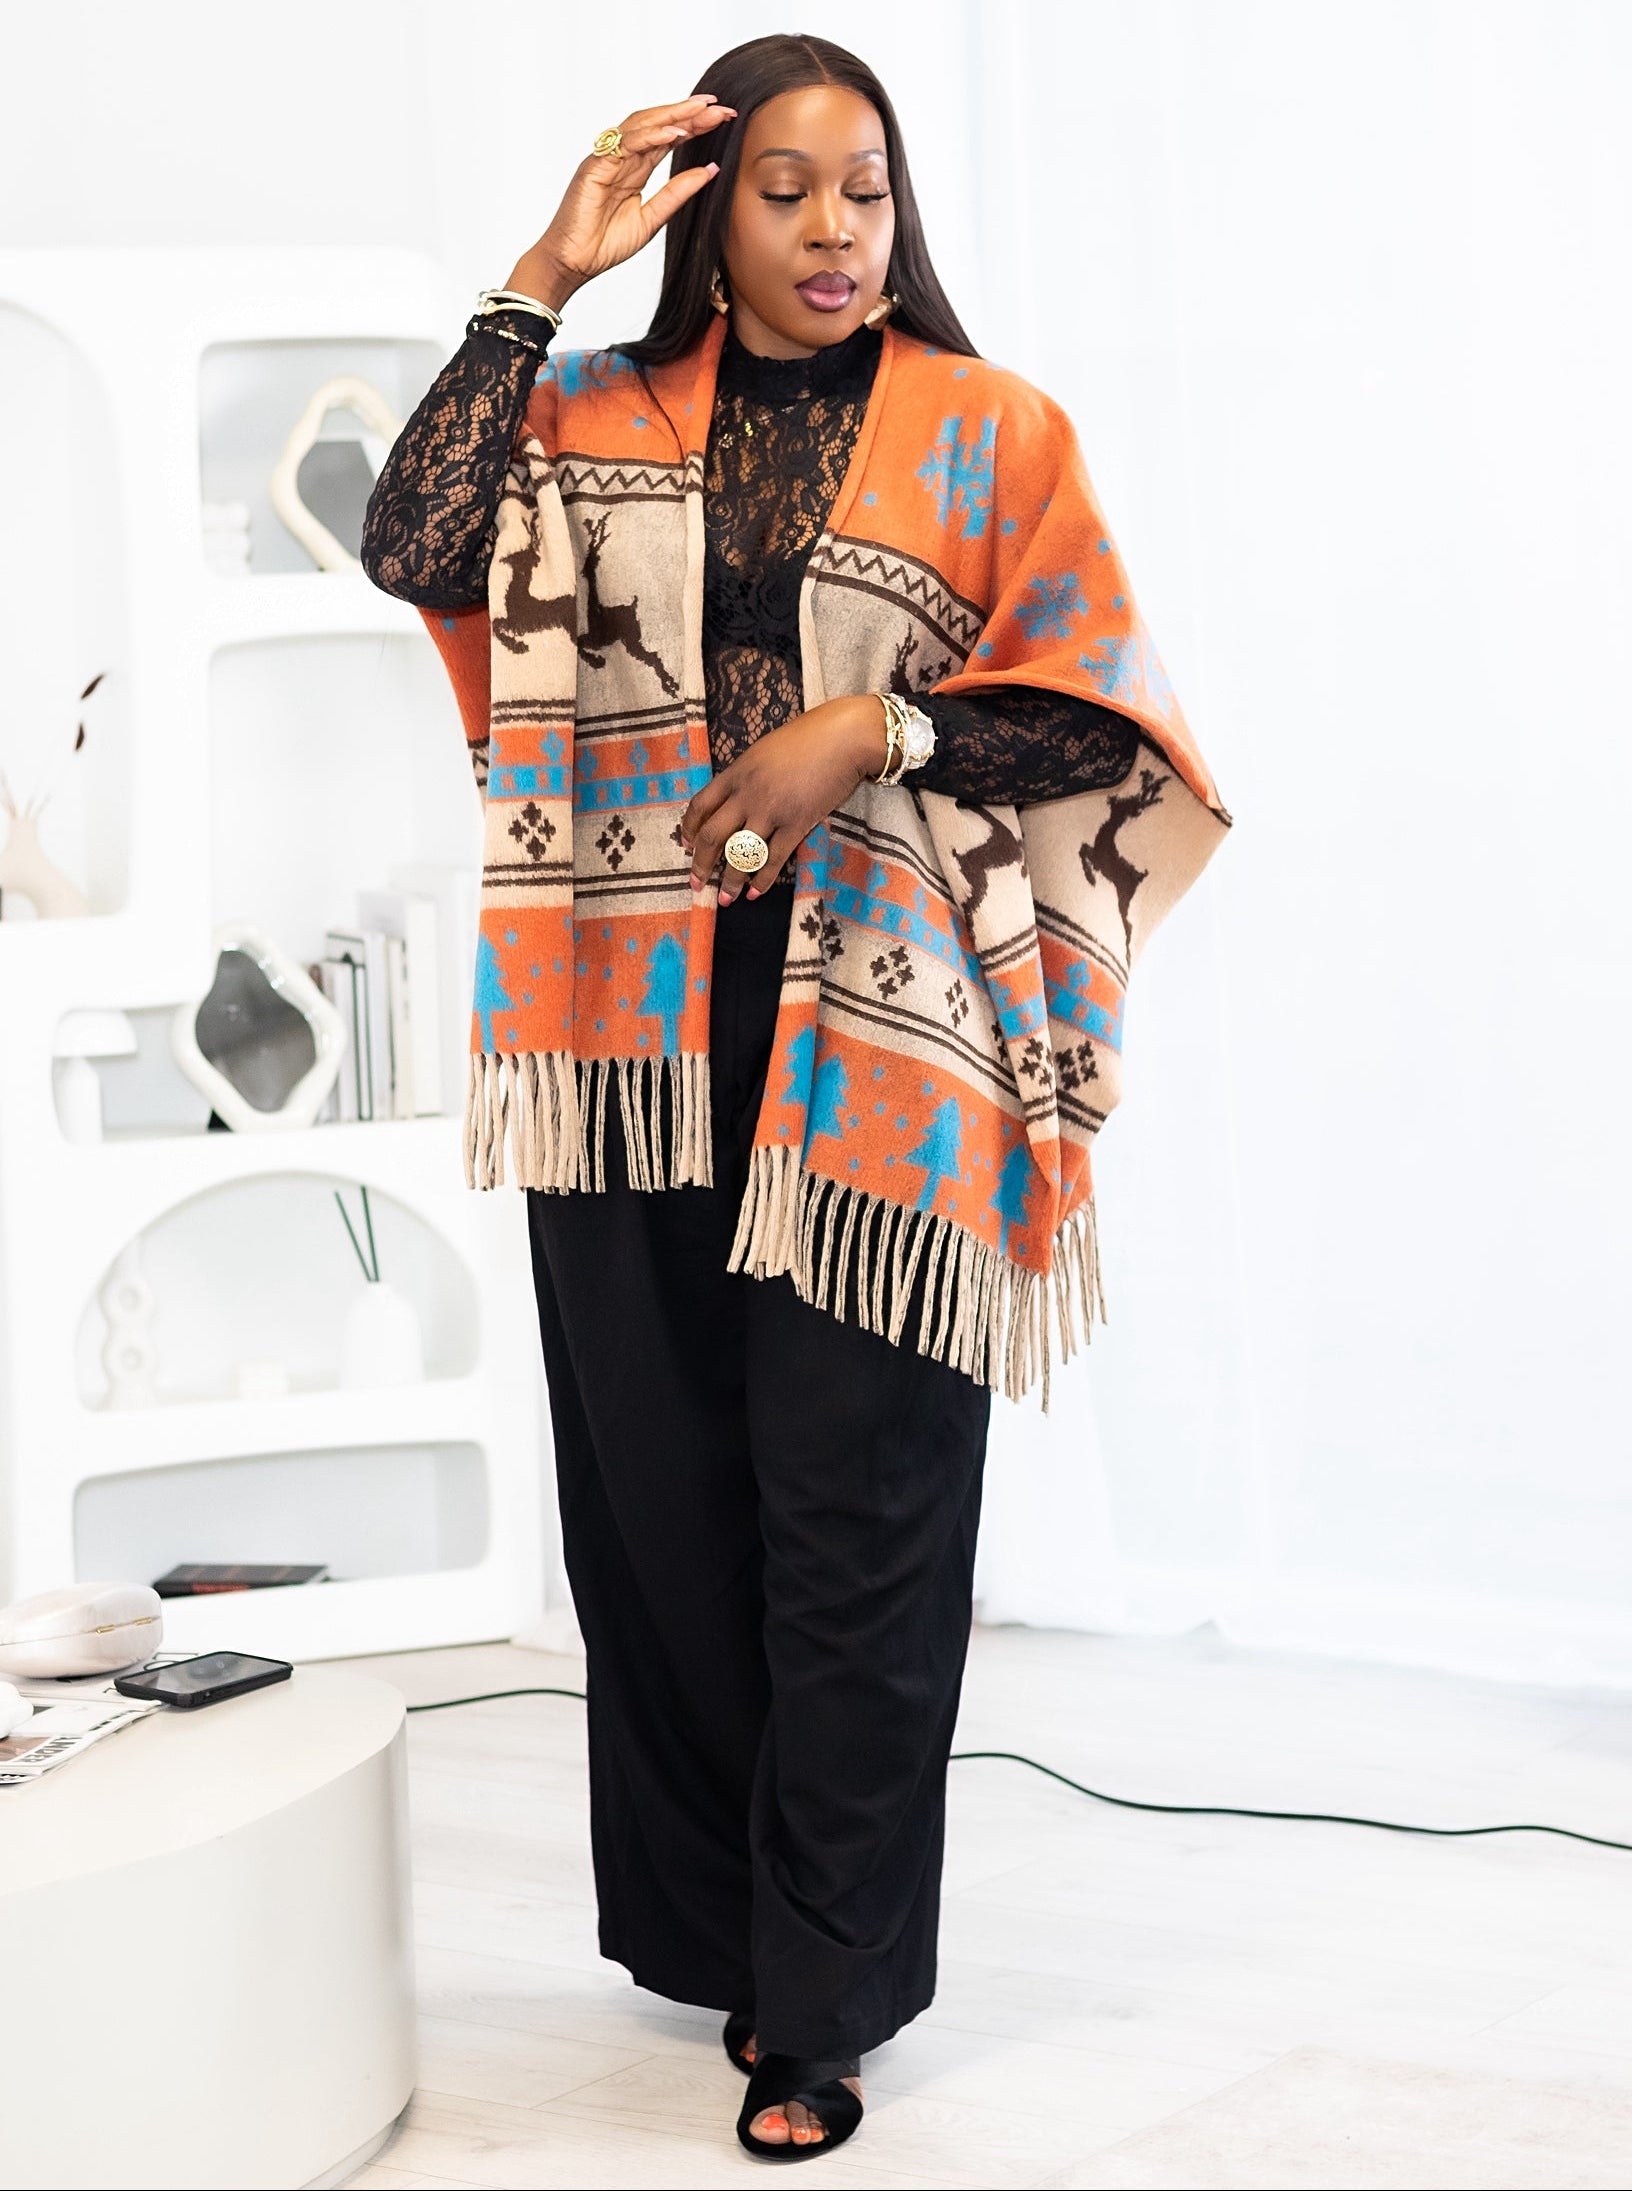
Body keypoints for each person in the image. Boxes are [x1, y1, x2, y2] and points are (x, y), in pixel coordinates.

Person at [363, 31, 1227, 2162]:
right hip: (624, 1021)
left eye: (867, 190)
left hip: (883, 1039)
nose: (837, 230)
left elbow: (1103, 729)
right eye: (785, 192)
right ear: (703, 210)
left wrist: (876, 736)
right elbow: (410, 541)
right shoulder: (586, 408)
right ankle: (715, 1933)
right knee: (658, 1510)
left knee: (859, 1517)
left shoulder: (991, 433)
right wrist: (535, 275)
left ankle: (820, 2005)